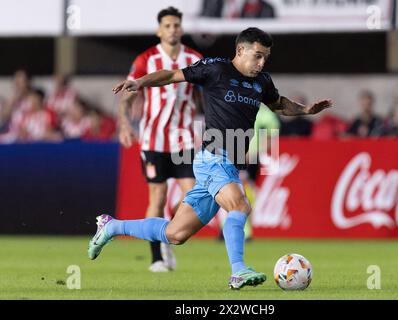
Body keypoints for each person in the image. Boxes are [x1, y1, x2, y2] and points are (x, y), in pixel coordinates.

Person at [89, 27, 332, 289]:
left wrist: (306, 109)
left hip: (228, 163)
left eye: (266, 58)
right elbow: (172, 74)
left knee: (176, 233)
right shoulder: (215, 69)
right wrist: (140, 82)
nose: (261, 63)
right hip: (214, 156)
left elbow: (279, 104)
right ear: (240, 50)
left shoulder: (262, 82)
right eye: (258, 56)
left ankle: (112, 227)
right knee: (240, 207)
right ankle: (238, 271)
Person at [116, 7, 203, 272]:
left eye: (176, 25)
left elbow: (205, 94)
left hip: (184, 139)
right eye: (167, 25)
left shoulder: (195, 58)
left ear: (182, 28)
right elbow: (130, 93)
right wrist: (123, 122)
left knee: (194, 195)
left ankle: (165, 230)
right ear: (159, 30)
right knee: (158, 196)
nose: (172, 29)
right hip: (153, 140)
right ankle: (157, 257)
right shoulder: (147, 58)